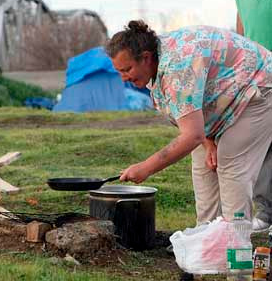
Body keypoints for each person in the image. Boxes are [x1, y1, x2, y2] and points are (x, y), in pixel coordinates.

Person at [106, 20, 272, 224]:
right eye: (119, 71)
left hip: (260, 85)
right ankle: (206, 237)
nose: (123, 78)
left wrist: (146, 167)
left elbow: (192, 135)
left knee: (230, 163)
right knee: (204, 165)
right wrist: (208, 140)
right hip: (226, 99)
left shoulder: (178, 67)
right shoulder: (157, 63)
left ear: (146, 58)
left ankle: (234, 244)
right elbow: (196, 127)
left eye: (127, 69)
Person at [232, 0, 272, 232]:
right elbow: (243, 12)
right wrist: (242, 56)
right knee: (262, 144)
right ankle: (268, 212)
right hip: (258, 67)